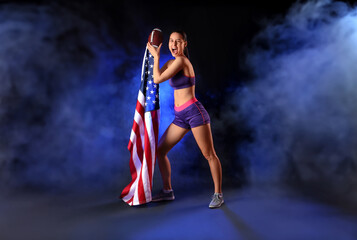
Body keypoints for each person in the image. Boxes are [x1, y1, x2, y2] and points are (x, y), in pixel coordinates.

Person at [147, 30, 224, 208]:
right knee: (160, 150)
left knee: (209, 154)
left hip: (194, 113)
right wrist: (152, 56)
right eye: (171, 41)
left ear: (184, 44)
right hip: (180, 116)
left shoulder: (182, 61)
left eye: (178, 41)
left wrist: (155, 55)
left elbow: (158, 79)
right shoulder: (172, 62)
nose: (174, 45)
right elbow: (155, 75)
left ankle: (218, 194)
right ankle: (167, 191)